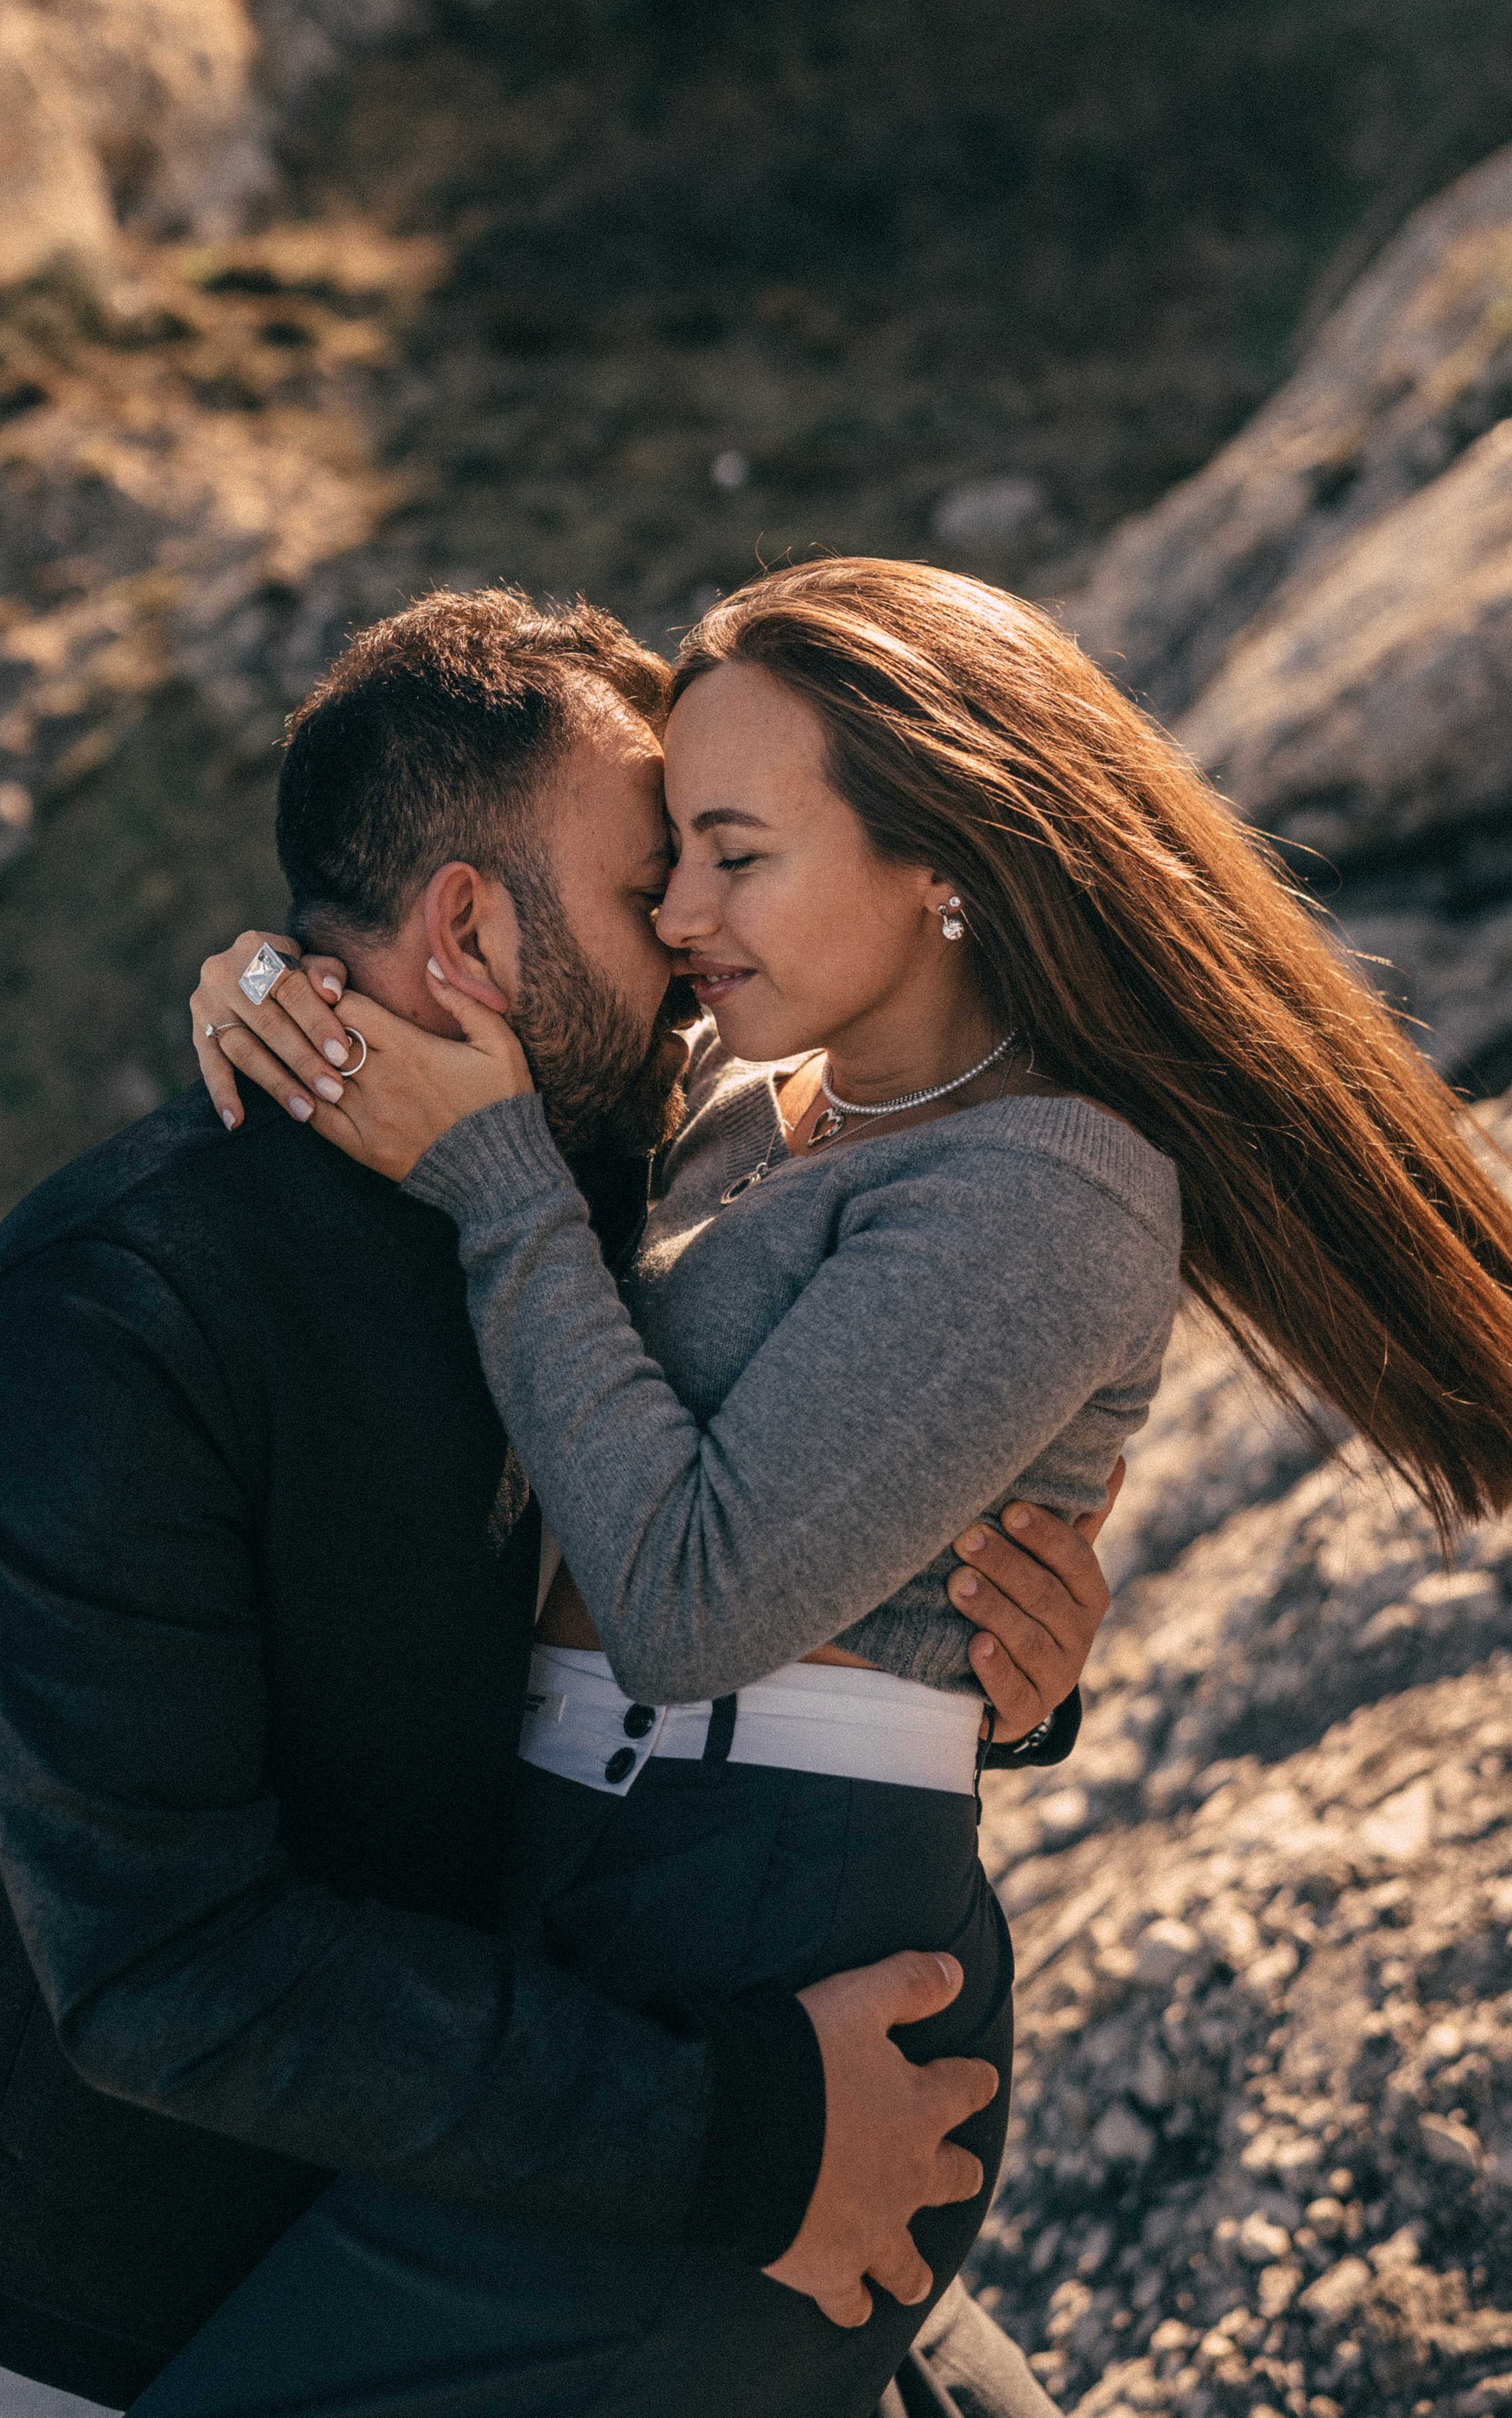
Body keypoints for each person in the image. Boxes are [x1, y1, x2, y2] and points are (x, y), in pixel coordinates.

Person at [182, 554, 1512, 2418]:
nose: (679, 907)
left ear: (942, 859)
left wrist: (499, 1183)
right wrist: (269, 975)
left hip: (772, 1947)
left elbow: (692, 1604)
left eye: (738, 852)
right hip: (576, 1893)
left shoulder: (1053, 1185)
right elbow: (478, 1024)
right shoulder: (749, 1091)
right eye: (670, 853)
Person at [0, 587, 1105, 2418]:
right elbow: (168, 1971)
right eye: (648, 878)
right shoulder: (115, 1315)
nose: (686, 935)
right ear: (467, 926)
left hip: (470, 2144)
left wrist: (994, 1653)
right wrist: (748, 2136)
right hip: (92, 2290)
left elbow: (734, 1509)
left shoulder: (582, 1175)